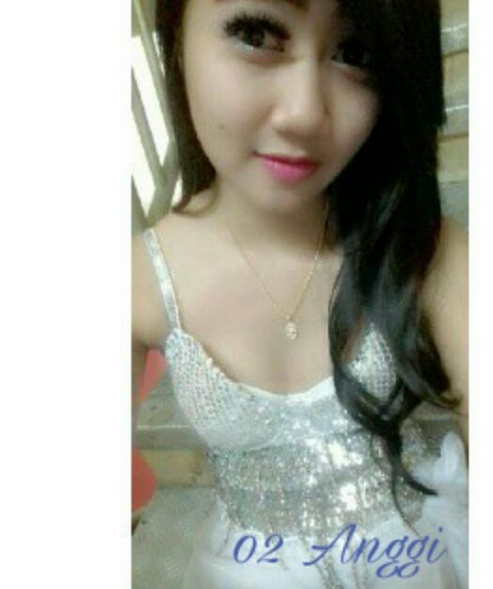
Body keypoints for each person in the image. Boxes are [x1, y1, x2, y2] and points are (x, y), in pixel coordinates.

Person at [132, 0, 469, 587]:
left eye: (354, 53)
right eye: (256, 34)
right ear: (176, 35)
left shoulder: (421, 243)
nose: (307, 114)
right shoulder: (132, 282)